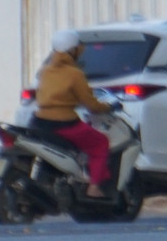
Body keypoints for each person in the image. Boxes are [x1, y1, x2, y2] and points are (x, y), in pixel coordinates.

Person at [31, 29, 114, 198]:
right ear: (74, 50)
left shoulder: (45, 71)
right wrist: (107, 107)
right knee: (100, 143)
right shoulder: (75, 74)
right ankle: (93, 188)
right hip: (64, 124)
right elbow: (91, 104)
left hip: (38, 123)